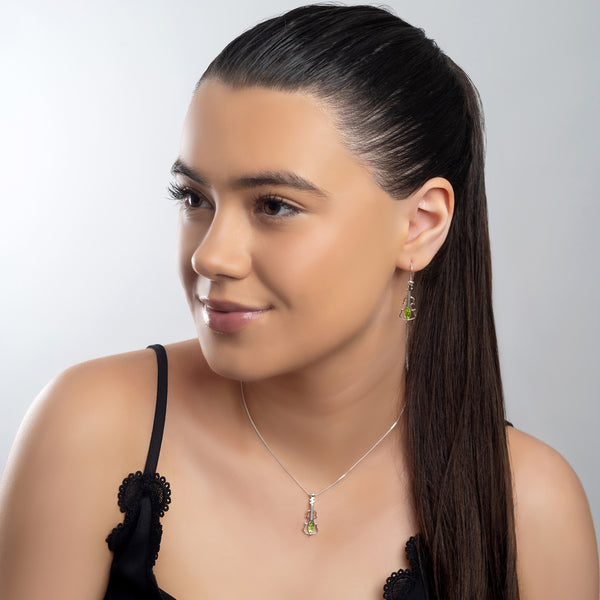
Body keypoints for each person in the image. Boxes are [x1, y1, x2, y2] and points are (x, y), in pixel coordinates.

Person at [0, 4, 597, 599]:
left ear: (420, 225)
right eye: (194, 198)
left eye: (274, 205)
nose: (211, 256)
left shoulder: (532, 508)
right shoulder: (92, 427)